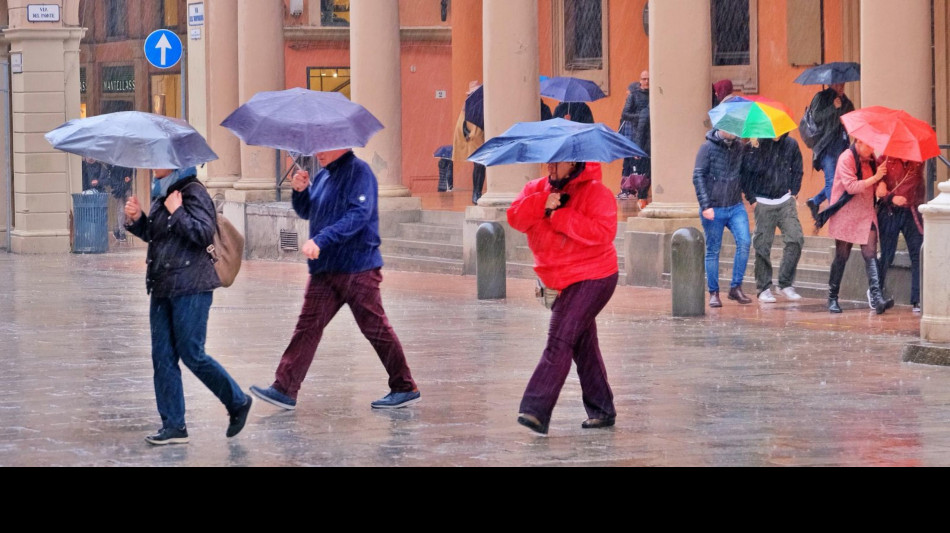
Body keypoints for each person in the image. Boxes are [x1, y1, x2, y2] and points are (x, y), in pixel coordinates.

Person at [249, 148, 421, 411]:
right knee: (307, 327)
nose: (317, 152)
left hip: (357, 267)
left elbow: (358, 215)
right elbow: (310, 211)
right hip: (325, 270)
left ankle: (403, 385)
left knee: (375, 329)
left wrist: (322, 239)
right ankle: (284, 388)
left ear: (342, 144)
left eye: (323, 147)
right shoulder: (323, 176)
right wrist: (300, 191)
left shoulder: (359, 172)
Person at [124, 167, 252, 445]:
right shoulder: (163, 194)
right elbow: (159, 235)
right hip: (162, 286)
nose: (153, 165)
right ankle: (174, 425)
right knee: (162, 357)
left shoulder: (194, 192)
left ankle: (237, 401)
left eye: (159, 159)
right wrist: (138, 220)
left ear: (175, 161)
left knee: (192, 353)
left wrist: (178, 211)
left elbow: (203, 234)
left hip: (191, 286)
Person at [507, 160, 619, 435]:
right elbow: (515, 218)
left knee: (560, 338)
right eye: (549, 161)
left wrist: (561, 216)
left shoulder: (596, 192)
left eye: (559, 162)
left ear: (576, 163)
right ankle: (602, 408)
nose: (551, 167)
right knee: (583, 344)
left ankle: (536, 409)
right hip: (558, 280)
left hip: (594, 276)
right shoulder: (536, 189)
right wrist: (542, 203)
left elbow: (604, 232)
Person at [824, 140, 894, 314]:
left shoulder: (870, 158)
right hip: (846, 213)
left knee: (870, 254)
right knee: (842, 256)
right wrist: (875, 178)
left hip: (865, 212)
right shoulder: (846, 158)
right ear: (859, 142)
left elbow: (878, 180)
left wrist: (881, 184)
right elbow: (851, 186)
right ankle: (832, 297)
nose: (872, 149)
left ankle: (877, 299)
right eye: (868, 146)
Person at [741, 133, 805, 303]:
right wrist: (752, 199)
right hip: (762, 201)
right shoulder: (753, 147)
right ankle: (763, 288)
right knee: (762, 245)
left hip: (785, 200)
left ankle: (785, 284)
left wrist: (795, 192)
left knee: (795, 239)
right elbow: (745, 176)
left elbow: (798, 169)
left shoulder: (791, 144)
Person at [692, 128, 753, 308]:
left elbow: (745, 175)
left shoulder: (739, 148)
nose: (733, 131)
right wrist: (705, 206)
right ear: (719, 127)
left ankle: (736, 287)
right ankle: (714, 292)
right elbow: (698, 177)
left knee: (744, 241)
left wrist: (752, 199)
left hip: (735, 205)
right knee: (713, 250)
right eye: (729, 128)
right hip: (714, 207)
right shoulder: (707, 148)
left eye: (736, 128)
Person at [875, 157, 924, 313]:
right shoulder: (885, 159)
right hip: (889, 211)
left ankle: (917, 299)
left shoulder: (918, 161)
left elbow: (920, 185)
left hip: (911, 211)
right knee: (887, 254)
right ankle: (876, 293)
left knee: (917, 253)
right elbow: (878, 188)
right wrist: (891, 197)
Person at [805, 83, 855, 219]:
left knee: (841, 181)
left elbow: (852, 117)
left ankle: (815, 201)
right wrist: (833, 107)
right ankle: (836, 215)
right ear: (830, 83)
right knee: (832, 181)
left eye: (843, 83)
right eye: (839, 83)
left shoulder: (845, 100)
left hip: (842, 147)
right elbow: (815, 118)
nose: (842, 86)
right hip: (825, 147)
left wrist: (846, 118)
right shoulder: (820, 97)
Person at [618, 71, 651, 209]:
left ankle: (642, 197)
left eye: (649, 79)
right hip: (639, 134)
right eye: (644, 79)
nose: (647, 82)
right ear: (640, 81)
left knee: (647, 171)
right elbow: (625, 114)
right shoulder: (634, 96)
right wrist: (641, 116)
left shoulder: (655, 95)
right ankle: (639, 196)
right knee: (640, 170)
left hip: (650, 135)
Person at [454, 82, 486, 204]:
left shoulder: (480, 103)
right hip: (473, 135)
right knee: (479, 164)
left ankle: (477, 192)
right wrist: (466, 132)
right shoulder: (468, 103)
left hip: (479, 134)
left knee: (480, 165)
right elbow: (462, 121)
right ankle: (476, 192)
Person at [106, 164, 134, 241]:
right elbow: (112, 177)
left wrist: (128, 179)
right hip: (118, 189)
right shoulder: (114, 164)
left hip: (125, 187)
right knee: (121, 210)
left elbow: (132, 172)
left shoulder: (125, 162)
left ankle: (117, 229)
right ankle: (122, 232)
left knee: (124, 210)